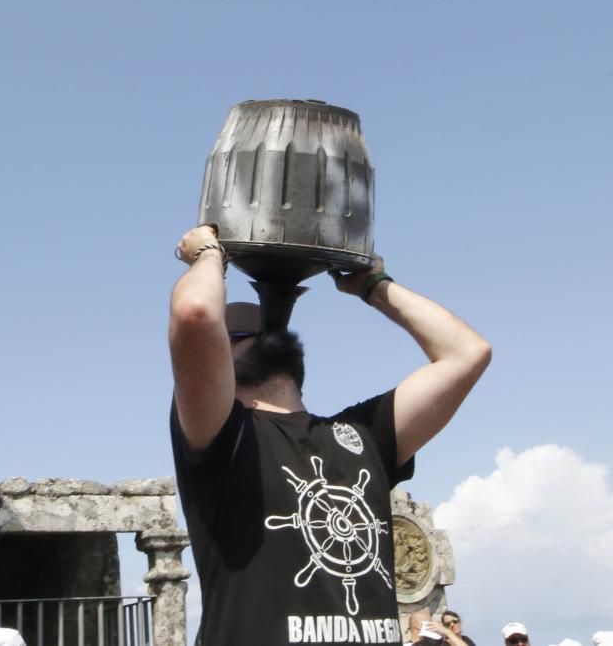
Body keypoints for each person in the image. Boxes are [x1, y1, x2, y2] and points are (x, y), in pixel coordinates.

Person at [168, 225, 491, 646]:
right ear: (220, 362)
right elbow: (195, 311)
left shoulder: (363, 434)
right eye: (242, 334)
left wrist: (374, 285)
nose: (265, 333)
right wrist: (210, 254)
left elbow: (467, 353)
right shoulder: (220, 436)